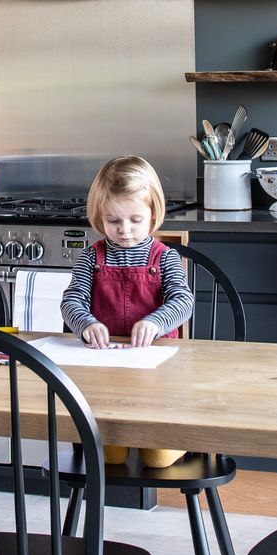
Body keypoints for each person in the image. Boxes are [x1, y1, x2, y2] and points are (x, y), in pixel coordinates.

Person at [60, 155, 194, 468]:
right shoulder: (90, 259)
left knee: (157, 458)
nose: (124, 230)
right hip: (105, 373)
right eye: (113, 221)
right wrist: (86, 324)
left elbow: (183, 300)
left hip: (156, 372)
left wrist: (155, 321)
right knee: (109, 455)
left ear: (153, 214)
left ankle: (186, 437)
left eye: (135, 219)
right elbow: (71, 302)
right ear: (99, 217)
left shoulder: (165, 258)